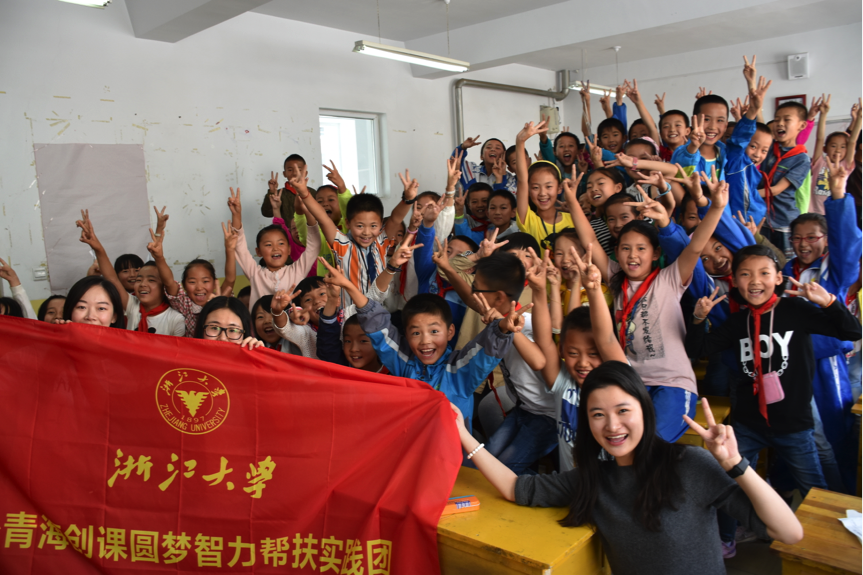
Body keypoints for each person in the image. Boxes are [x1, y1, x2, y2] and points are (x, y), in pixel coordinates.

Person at [451, 361, 803, 575]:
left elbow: (788, 532)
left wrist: (736, 465)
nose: (612, 426)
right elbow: (515, 488)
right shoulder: (594, 479)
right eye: (597, 414)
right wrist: (464, 435)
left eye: (623, 411)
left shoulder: (689, 464)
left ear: (644, 411)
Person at [685, 245, 863, 532]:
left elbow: (852, 331)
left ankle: (832, 540)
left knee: (813, 487)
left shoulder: (796, 310)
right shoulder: (737, 322)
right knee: (730, 483)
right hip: (747, 423)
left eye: (764, 273)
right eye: (745, 274)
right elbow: (697, 349)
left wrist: (829, 302)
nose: (755, 281)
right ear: (735, 281)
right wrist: (698, 319)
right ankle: (727, 539)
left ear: (778, 278)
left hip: (793, 424)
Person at [568, 175, 729, 442]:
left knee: (651, 444)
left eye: (641, 248)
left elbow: (695, 247)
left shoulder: (670, 278)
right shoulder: (616, 279)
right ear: (617, 252)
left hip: (673, 384)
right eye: (625, 248)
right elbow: (590, 242)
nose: (632, 255)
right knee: (624, 445)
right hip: (631, 385)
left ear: (655, 254)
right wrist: (573, 200)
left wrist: (717, 207)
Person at [320, 255, 520, 431]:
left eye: (434, 331)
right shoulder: (403, 362)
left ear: (450, 332)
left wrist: (501, 329)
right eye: (416, 333)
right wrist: (349, 286)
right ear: (406, 336)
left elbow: (483, 351)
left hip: (452, 453)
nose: (425, 341)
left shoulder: (459, 371)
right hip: (411, 446)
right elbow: (379, 327)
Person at [77, 211, 185, 336]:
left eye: (151, 280)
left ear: (163, 287)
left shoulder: (176, 319)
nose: (142, 284)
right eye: (139, 280)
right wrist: (98, 247)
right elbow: (112, 279)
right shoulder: (133, 306)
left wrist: (159, 239)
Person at [228, 185, 320, 311]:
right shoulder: (255, 274)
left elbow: (314, 245)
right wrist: (236, 215)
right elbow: (239, 247)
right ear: (258, 252)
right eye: (268, 245)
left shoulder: (297, 270)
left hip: (293, 324)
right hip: (261, 324)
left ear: (289, 250)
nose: (275, 248)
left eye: (281, 243)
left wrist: (307, 212)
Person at [150, 207, 235, 337]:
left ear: (214, 283)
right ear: (183, 285)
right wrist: (159, 257)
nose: (199, 287)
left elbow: (230, 279)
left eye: (205, 281)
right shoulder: (185, 305)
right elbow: (168, 282)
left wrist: (230, 250)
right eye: (192, 282)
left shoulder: (220, 299)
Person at [761, 101, 812, 258]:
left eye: (787, 119)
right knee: (764, 260)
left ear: (802, 125)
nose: (780, 123)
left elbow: (777, 190)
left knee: (785, 263)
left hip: (784, 222)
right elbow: (761, 132)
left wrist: (746, 194)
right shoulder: (770, 148)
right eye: (777, 119)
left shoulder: (801, 159)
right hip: (762, 219)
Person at [515, 120, 575, 247]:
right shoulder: (528, 220)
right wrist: (520, 142)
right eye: (535, 187)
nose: (542, 193)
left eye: (548, 186)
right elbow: (522, 180)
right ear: (528, 191)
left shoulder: (573, 219)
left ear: (559, 188)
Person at [193, 296, 263, 350]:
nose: (223, 338)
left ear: (245, 334)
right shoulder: (187, 361)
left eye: (232, 330)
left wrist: (258, 357)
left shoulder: (252, 362)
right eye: (214, 328)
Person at [58, 276, 126, 329]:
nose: (90, 317)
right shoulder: (57, 340)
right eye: (82, 307)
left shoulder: (125, 343)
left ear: (114, 317)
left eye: (101, 308)